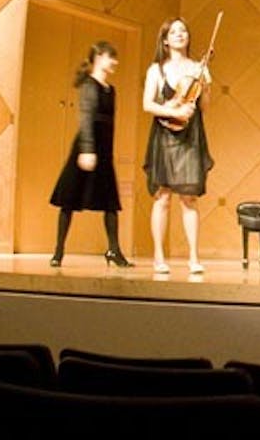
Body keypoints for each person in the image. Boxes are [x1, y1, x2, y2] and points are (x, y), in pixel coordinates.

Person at [48, 41, 133, 268]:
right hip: (86, 148)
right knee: (69, 200)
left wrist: (106, 153)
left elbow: (110, 124)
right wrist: (87, 149)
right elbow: (85, 119)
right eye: (110, 57)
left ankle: (114, 251)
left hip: (104, 152)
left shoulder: (110, 89)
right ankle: (58, 251)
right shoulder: (89, 85)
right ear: (98, 57)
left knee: (110, 204)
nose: (114, 61)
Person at [142, 17, 214, 275]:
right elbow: (147, 105)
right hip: (165, 134)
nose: (180, 34)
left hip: (190, 136)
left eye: (183, 30)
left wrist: (204, 87)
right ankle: (159, 257)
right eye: (174, 31)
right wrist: (173, 110)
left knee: (189, 198)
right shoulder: (156, 70)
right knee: (162, 197)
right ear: (165, 40)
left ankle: (194, 257)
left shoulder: (198, 68)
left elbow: (204, 108)